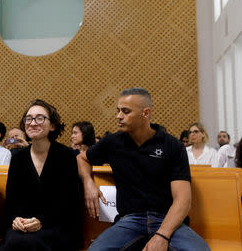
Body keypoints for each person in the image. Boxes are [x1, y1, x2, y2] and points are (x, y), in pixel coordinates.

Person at [77, 88, 209, 251]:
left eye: (125, 111)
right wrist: (88, 183)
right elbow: (81, 158)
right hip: (129, 220)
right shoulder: (113, 142)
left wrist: (162, 235)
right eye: (118, 111)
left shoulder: (172, 145)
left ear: (145, 113)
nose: (118, 116)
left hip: (167, 219)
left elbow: (183, 200)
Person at [0, 99, 82, 251]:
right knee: (13, 241)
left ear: (53, 125)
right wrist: (16, 220)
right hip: (24, 227)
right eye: (28, 119)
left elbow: (70, 202)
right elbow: (12, 200)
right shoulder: (17, 157)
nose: (33, 123)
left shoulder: (66, 156)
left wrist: (41, 221)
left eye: (40, 118)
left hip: (57, 226)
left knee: (29, 243)